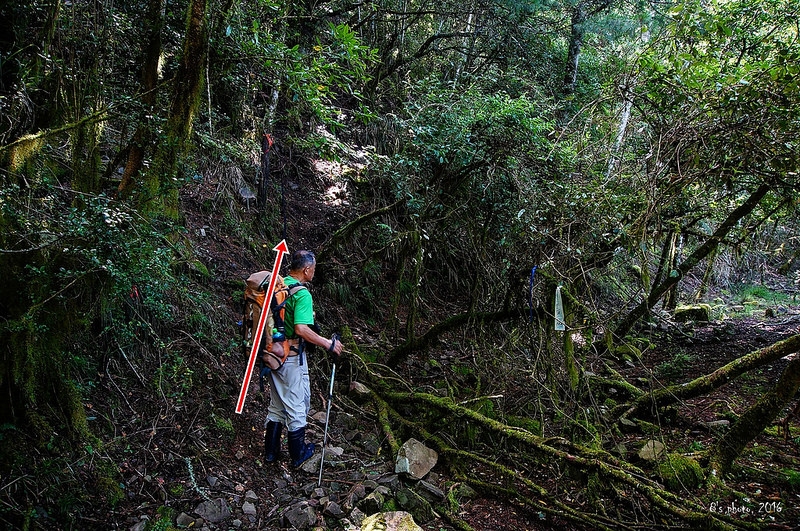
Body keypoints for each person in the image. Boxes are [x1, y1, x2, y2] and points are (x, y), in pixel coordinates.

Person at [263, 250, 344, 467]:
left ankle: (270, 453)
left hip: (272, 355)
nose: (314, 272)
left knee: (277, 405)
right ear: (307, 269)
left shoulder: (279, 286)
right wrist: (329, 344)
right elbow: (300, 328)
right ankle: (298, 455)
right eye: (314, 269)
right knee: (297, 407)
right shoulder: (302, 294)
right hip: (290, 358)